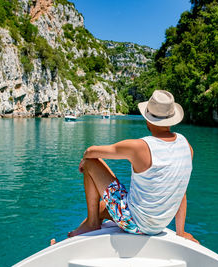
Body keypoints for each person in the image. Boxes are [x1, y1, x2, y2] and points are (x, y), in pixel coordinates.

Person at [67, 90, 198, 243]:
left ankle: (91, 225)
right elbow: (180, 190)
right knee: (102, 207)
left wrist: (85, 160)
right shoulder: (186, 146)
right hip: (159, 225)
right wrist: (180, 232)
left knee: (91, 162)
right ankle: (89, 224)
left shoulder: (140, 147)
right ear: (171, 119)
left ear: (148, 118)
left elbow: (90, 151)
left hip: (136, 224)